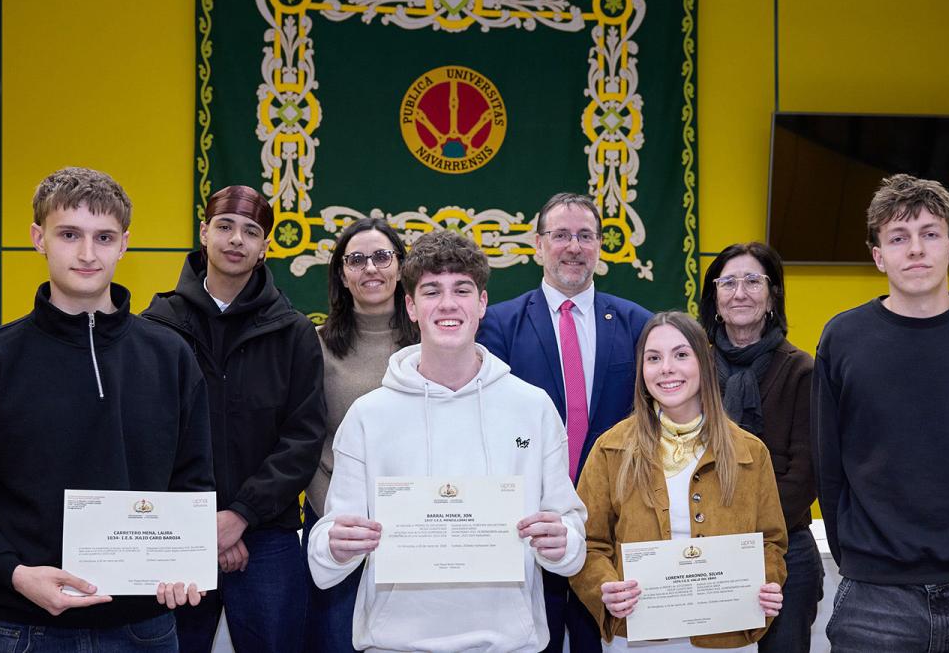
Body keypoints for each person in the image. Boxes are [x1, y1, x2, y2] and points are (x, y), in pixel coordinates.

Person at [0, 166, 213, 651]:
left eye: (104, 237)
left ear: (124, 244)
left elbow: (193, 485)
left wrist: (184, 563)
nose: (87, 253)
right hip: (23, 629)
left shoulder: (171, 357)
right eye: (69, 234)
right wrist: (15, 575)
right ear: (39, 238)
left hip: (147, 629)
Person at [307, 230, 587, 651]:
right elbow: (324, 559)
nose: (448, 304)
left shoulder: (533, 408)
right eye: (432, 290)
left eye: (462, 289)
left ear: (482, 303)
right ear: (411, 306)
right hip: (396, 644)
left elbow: (571, 541)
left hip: (508, 644)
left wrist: (562, 539)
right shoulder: (368, 416)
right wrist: (334, 544)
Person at [812, 174, 949, 652]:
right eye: (898, 238)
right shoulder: (843, 339)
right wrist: (861, 558)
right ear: (878, 256)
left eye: (929, 234)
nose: (915, 249)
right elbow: (829, 468)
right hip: (876, 593)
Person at [142, 185, 326, 652]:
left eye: (251, 231)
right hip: (176, 531)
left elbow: (302, 437)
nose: (236, 240)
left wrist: (241, 515)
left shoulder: (295, 332)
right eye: (224, 227)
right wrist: (207, 522)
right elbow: (149, 435)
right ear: (204, 234)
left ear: (265, 247)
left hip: (268, 537)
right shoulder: (157, 325)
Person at [477, 191, 651, 652]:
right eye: (560, 236)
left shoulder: (639, 326)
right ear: (538, 245)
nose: (573, 246)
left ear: (599, 246)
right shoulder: (497, 325)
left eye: (585, 236)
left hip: (612, 533)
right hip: (529, 532)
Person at [571, 311, 786, 651]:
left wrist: (768, 584)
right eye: (653, 358)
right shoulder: (611, 448)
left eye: (681, 355)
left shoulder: (749, 452)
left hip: (728, 635)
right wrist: (605, 588)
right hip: (641, 635)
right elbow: (588, 542)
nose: (666, 368)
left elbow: (771, 543)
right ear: (642, 371)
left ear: (705, 362)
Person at [698, 242, 821, 653]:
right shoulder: (692, 369)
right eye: (728, 282)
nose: (740, 292)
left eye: (753, 281)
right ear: (714, 297)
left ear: (772, 295)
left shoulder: (803, 371)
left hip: (785, 551)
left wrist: (742, 534)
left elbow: (806, 474)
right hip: (705, 551)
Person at [302, 217, 418, 652]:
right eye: (357, 260)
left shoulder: (432, 344)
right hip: (340, 527)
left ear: (401, 268)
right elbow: (305, 439)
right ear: (342, 275)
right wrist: (336, 515)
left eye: (382, 256)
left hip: (418, 526)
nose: (371, 268)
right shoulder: (314, 345)